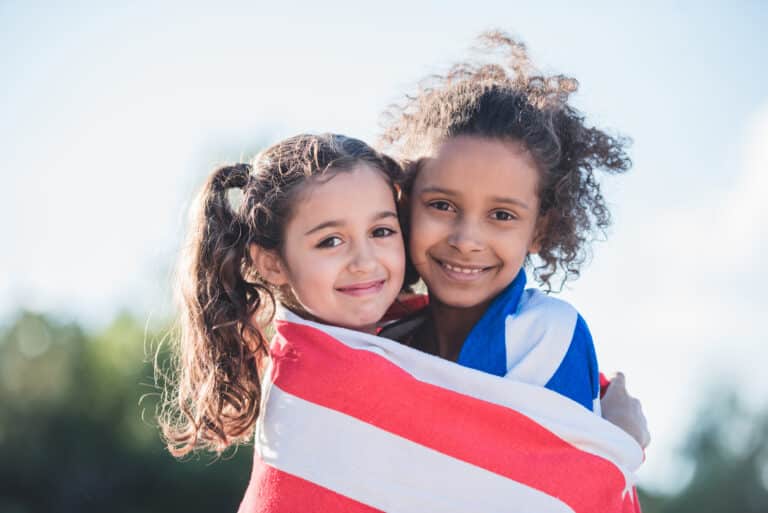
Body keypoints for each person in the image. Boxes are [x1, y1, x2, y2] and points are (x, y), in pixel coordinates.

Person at [379, 30, 641, 426]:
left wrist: (618, 446)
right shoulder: (385, 333)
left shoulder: (546, 334)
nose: (466, 240)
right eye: (442, 205)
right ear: (404, 203)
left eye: (501, 215)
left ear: (540, 230)